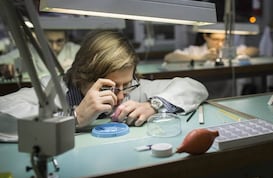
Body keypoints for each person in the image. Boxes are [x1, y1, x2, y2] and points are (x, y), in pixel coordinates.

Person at [0, 30, 208, 130]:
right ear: (82, 78)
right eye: (107, 87)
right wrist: (74, 117)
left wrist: (153, 105)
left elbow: (194, 86)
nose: (119, 96)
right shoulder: (52, 89)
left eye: (125, 85)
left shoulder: (134, 89)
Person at [0, 30, 80, 79]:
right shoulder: (29, 50)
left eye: (59, 41)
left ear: (66, 39)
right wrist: (4, 68)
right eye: (49, 42)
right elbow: (2, 61)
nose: (54, 47)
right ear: (39, 40)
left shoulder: (73, 49)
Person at [164, 32, 259, 63]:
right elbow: (169, 57)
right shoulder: (195, 50)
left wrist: (234, 54)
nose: (220, 43)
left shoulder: (226, 49)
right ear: (206, 36)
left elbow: (255, 50)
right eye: (215, 39)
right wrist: (201, 58)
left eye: (223, 40)